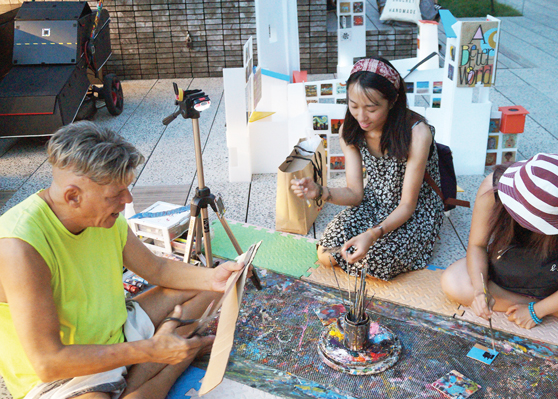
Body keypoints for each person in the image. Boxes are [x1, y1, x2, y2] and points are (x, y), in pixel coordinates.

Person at [0, 122, 245, 399]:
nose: (127, 199)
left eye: (127, 189)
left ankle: (158, 358)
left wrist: (213, 277)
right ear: (73, 196)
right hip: (65, 371)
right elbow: (48, 363)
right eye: (116, 194)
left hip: (116, 329)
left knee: (212, 286)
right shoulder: (20, 247)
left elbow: (158, 269)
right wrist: (151, 349)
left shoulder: (107, 218)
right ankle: (173, 361)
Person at [292, 57, 444, 280]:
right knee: (327, 254)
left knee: (370, 262)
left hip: (414, 211)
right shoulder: (350, 130)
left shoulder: (418, 133)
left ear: (392, 102)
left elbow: (407, 205)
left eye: (371, 108)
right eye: (354, 106)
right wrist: (320, 191)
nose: (361, 117)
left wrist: (372, 234)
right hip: (374, 202)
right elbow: (355, 194)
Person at [441, 153, 558, 345]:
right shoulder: (494, 186)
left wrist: (537, 311)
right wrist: (480, 291)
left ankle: (556, 306)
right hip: (507, 271)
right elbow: (477, 245)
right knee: (453, 282)